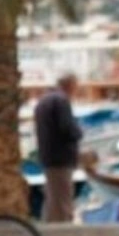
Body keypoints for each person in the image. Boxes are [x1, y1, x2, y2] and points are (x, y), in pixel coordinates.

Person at [34, 73, 83, 223]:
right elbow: (67, 129)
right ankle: (64, 232)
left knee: (51, 200)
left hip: (48, 157)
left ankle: (47, 231)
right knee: (62, 201)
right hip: (61, 159)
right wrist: (79, 132)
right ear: (71, 85)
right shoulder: (61, 101)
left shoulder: (44, 100)